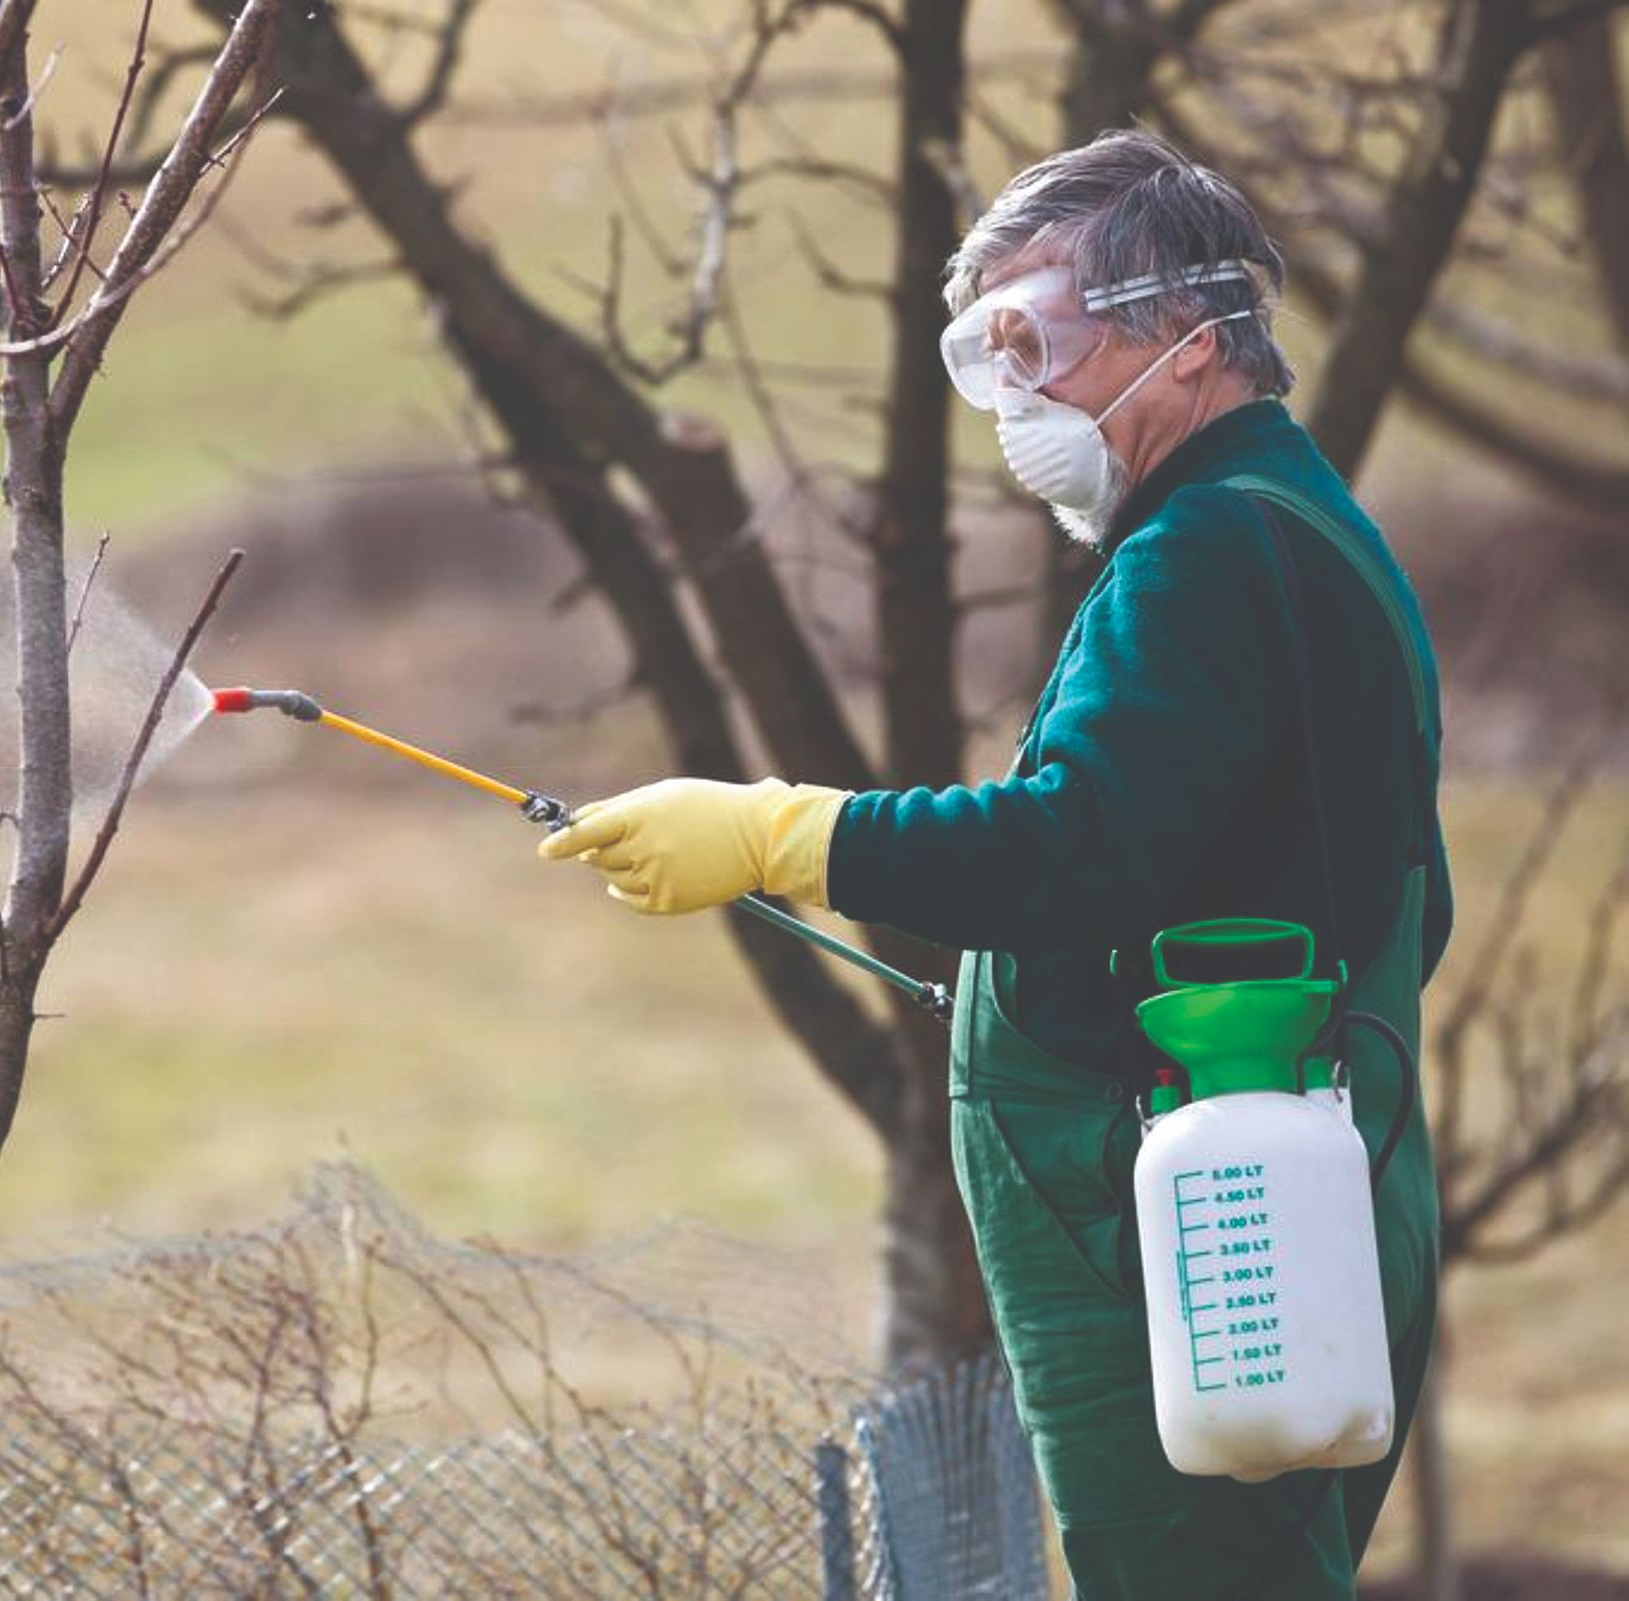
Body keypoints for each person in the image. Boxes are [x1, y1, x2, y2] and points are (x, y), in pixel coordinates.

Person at [539, 129, 1449, 1601]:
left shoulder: (1204, 553)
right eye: (992, 351)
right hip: (1284, 1207)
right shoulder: (1296, 528)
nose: (1018, 396)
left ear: (1194, 339)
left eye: (1047, 342)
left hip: (1203, 1240)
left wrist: (787, 832)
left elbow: (1070, 849)